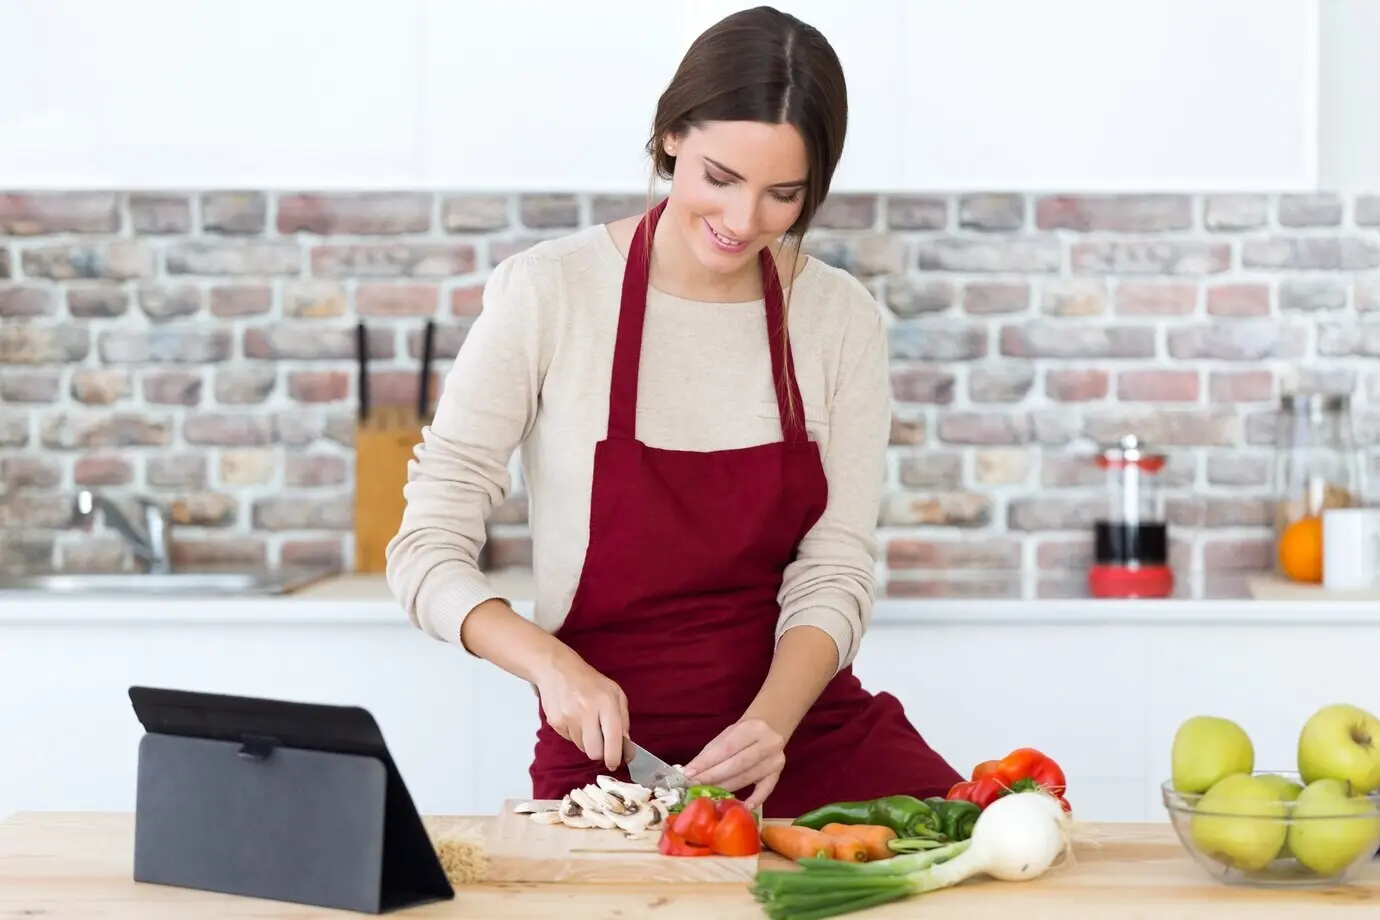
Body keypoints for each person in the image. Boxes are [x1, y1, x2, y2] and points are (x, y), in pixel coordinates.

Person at [386, 5, 963, 818]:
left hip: (799, 728)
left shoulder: (839, 318)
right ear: (668, 140)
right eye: (719, 179)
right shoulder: (548, 293)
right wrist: (552, 667)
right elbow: (425, 548)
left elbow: (835, 566)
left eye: (782, 196)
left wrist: (771, 723)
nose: (741, 222)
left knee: (984, 844)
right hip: (612, 748)